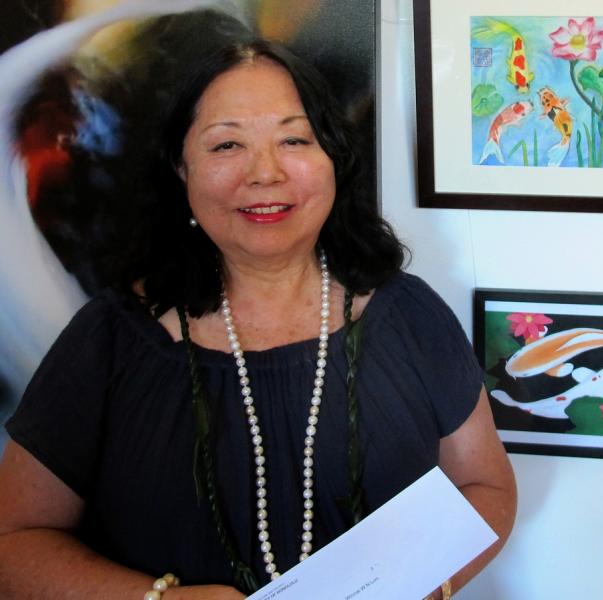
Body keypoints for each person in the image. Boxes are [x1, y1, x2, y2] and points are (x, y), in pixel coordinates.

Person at [0, 38, 516, 599]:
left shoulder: (411, 315)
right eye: (227, 144)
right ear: (182, 168)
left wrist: (421, 588)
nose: (265, 172)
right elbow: (13, 542)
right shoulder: (109, 339)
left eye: (294, 139)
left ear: (333, 158)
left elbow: (484, 487)